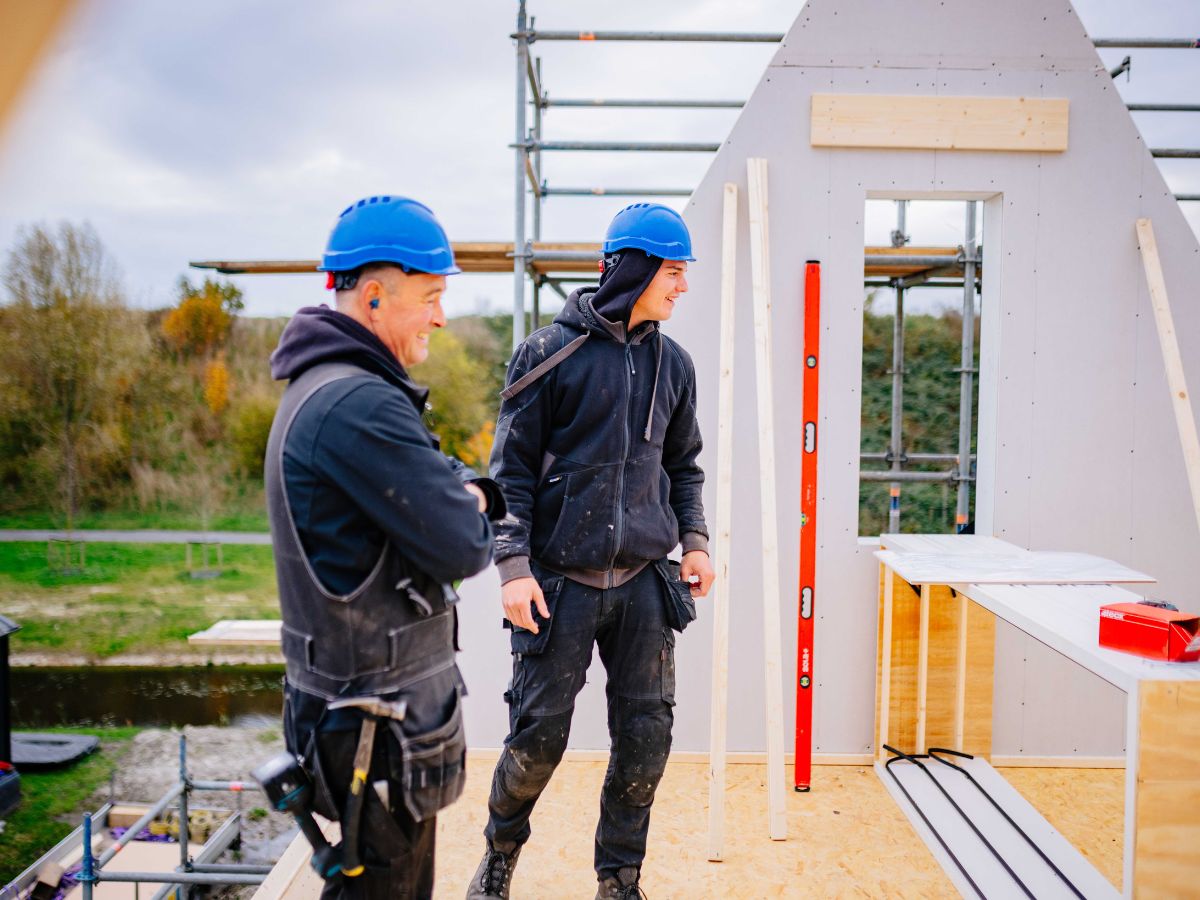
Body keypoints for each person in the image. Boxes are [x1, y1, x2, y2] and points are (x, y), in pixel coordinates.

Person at [467, 203, 715, 899]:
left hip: (644, 584)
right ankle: (499, 857)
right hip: (558, 584)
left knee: (645, 740)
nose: (683, 286)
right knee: (537, 740)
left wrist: (694, 541)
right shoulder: (549, 354)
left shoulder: (674, 365)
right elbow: (510, 474)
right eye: (673, 271)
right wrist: (513, 569)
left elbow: (683, 466)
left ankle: (619, 879)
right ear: (634, 270)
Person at [265, 195, 505, 899]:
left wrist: (461, 492)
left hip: (359, 718)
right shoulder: (358, 405)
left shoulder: (329, 389)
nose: (441, 316)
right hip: (374, 727)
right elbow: (463, 544)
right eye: (430, 297)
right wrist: (471, 498)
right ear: (374, 297)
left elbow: (444, 487)